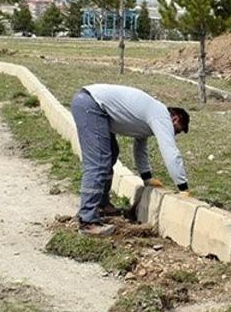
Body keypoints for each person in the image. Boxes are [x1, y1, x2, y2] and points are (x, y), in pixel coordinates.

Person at [70, 84, 190, 236]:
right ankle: (87, 222)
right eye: (177, 130)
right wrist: (183, 187)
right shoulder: (161, 116)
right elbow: (170, 151)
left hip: (91, 103)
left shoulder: (150, 116)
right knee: (99, 162)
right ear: (175, 118)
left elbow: (140, 148)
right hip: (91, 105)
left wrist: (147, 178)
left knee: (112, 153)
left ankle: (102, 205)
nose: (175, 134)